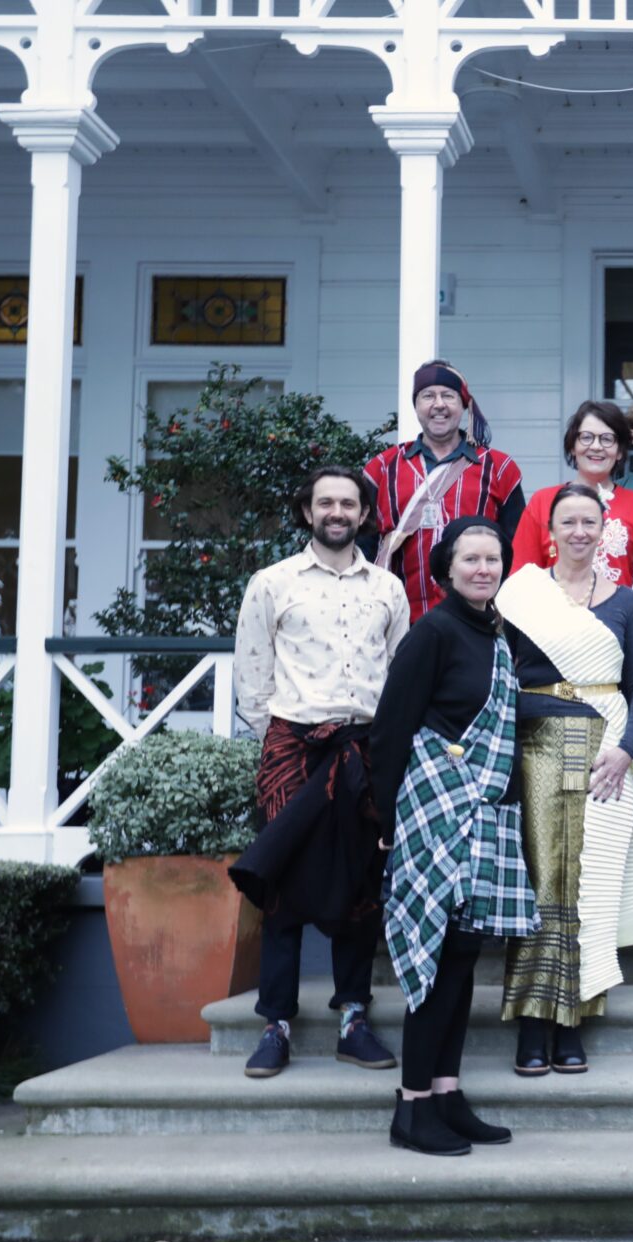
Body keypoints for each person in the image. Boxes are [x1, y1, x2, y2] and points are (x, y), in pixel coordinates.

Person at [230, 465, 410, 1081]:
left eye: (349, 503)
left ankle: (353, 1019)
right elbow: (251, 677)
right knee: (282, 887)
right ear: (307, 512)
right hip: (294, 750)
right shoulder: (272, 583)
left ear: (364, 514)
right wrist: (282, 740)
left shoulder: (388, 588)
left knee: (360, 888)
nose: (337, 512)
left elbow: (398, 674)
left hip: (364, 751)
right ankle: (276, 1023)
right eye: (325, 502)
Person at [369, 518, 529, 1155]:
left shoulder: (498, 634)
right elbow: (389, 731)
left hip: (483, 812)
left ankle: (445, 1092)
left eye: (493, 559)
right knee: (434, 958)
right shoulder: (432, 632)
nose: (484, 568)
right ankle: (411, 1109)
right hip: (434, 812)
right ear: (445, 569)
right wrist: (387, 824)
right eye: (472, 559)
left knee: (462, 954)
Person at [495, 482, 633, 1076]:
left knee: (591, 887)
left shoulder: (624, 602)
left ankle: (574, 1022)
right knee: (543, 884)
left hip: (604, 752)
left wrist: (622, 747)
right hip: (535, 748)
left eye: (591, 521)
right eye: (570, 522)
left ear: (603, 528)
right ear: (551, 531)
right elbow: (500, 676)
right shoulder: (521, 595)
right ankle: (533, 1023)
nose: (581, 532)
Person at [367, 359, 527, 622]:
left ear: (464, 405)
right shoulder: (382, 468)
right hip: (399, 619)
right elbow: (365, 545)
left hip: (478, 620)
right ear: (416, 406)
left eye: (448, 396)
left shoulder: (499, 468)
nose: (438, 404)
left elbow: (516, 548)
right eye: (427, 395)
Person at [512, 400, 633, 586]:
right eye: (586, 437)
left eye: (607, 439)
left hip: (619, 613)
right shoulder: (543, 501)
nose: (596, 446)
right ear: (572, 446)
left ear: (619, 452)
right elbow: (521, 576)